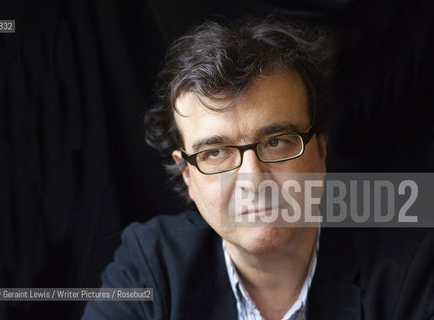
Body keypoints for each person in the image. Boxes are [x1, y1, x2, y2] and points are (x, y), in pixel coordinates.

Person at [82, 15, 434, 320]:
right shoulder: (151, 265)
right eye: (216, 153)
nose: (253, 179)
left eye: (276, 141)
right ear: (187, 174)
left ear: (321, 148)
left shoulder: (412, 263)